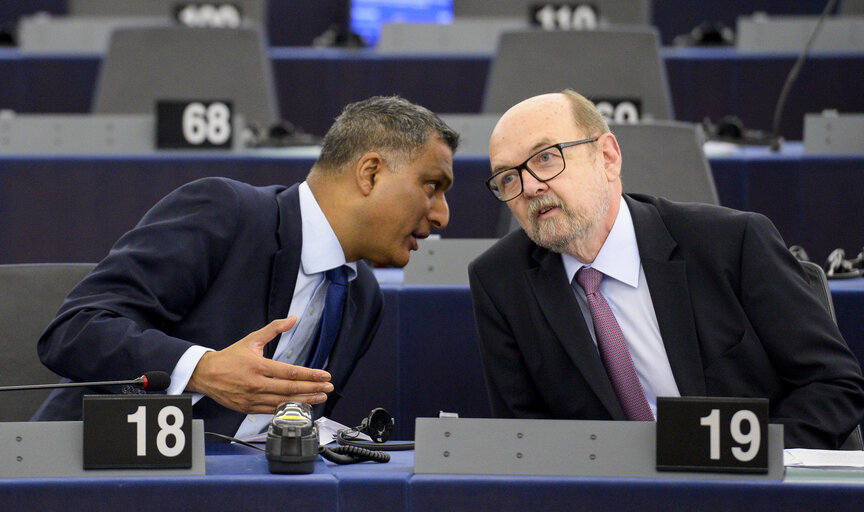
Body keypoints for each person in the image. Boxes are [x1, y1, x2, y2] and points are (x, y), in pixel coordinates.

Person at [34, 95, 459, 439]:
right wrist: (202, 370)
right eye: (431, 186)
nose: (442, 215)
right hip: (100, 479)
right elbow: (74, 329)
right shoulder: (226, 211)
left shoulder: (363, 296)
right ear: (370, 173)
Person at [468, 89, 864, 449]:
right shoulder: (500, 281)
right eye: (507, 178)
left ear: (607, 157)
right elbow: (522, 439)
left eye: (546, 158)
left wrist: (748, 460)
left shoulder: (731, 243)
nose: (531, 186)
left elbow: (834, 385)